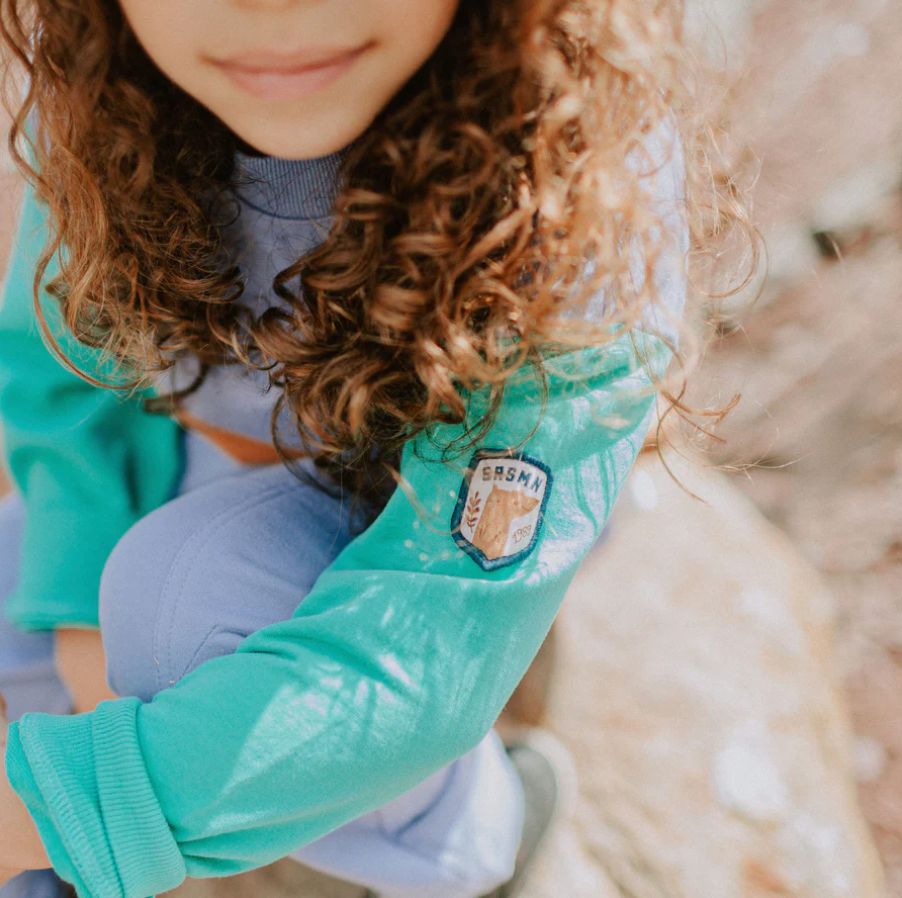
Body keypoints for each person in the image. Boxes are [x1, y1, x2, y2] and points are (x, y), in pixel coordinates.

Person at [0, 0, 708, 896]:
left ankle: (475, 836)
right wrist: (74, 598)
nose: (272, 9)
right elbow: (59, 355)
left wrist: (66, 809)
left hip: (440, 515)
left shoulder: (571, 189)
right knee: (29, 581)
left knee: (179, 602)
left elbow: (425, 637)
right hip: (243, 444)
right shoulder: (119, 95)